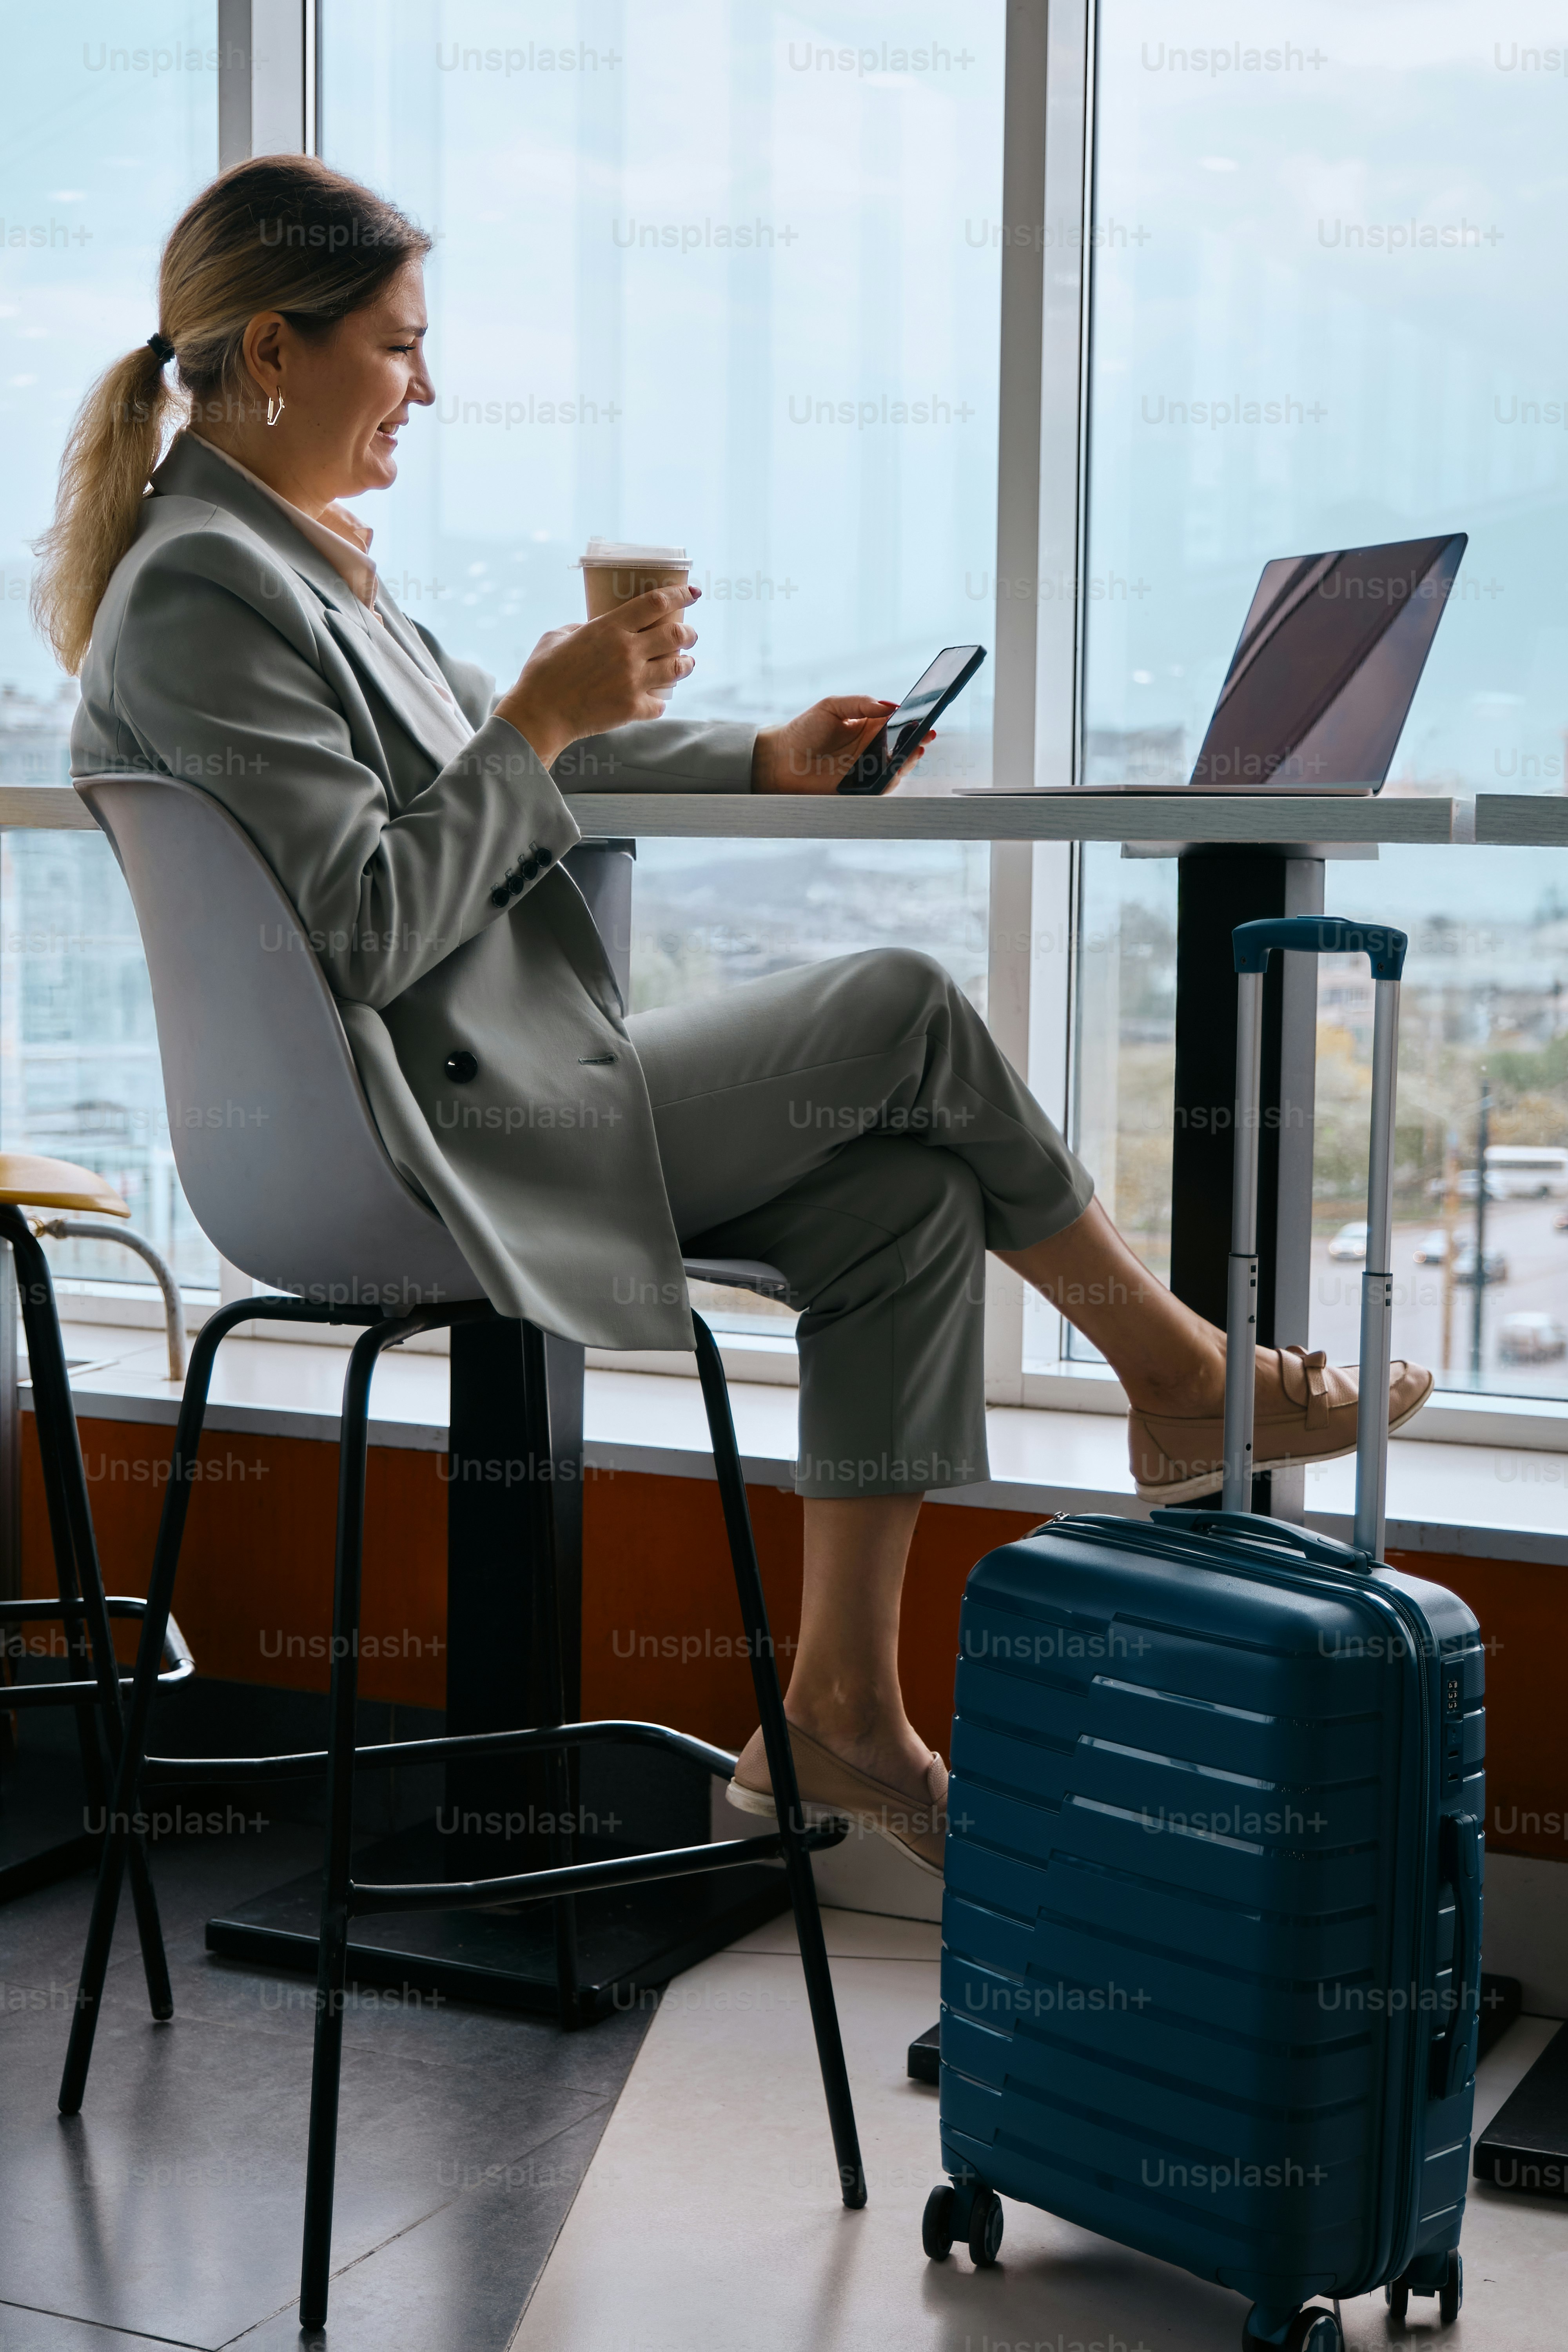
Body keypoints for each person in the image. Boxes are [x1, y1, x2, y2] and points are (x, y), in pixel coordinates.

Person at [35, 157, 1431, 1882]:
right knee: (906, 1005)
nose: (429, 386)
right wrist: (540, 723)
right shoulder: (202, 598)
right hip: (398, 1139)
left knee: (902, 1206)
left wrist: (759, 754)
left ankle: (839, 1708)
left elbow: (507, 755)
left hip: (479, 1095)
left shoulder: (298, 568)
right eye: (399, 347)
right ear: (272, 347)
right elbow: (374, 921)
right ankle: (1175, 1373)